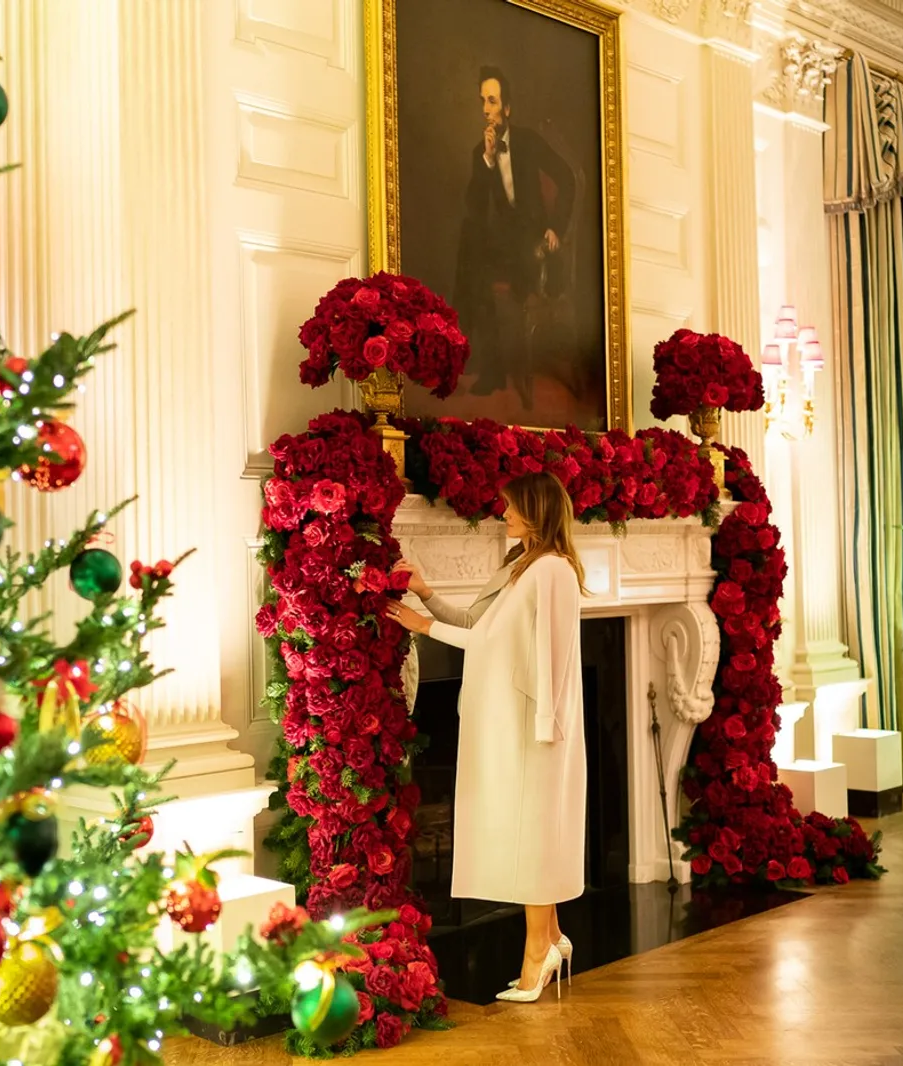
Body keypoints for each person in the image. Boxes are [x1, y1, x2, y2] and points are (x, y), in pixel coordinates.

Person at [386, 472, 588, 1003]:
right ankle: (550, 937)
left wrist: (422, 626)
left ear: (537, 511)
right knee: (527, 831)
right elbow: (478, 624)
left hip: (534, 726)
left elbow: (517, 648)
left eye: (511, 507)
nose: (503, 514)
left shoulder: (553, 572)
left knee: (535, 833)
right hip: (507, 722)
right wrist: (426, 596)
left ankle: (536, 956)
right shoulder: (519, 566)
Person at [453, 65, 577, 400]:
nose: (486, 109)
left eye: (492, 101)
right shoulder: (480, 152)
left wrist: (556, 228)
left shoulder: (529, 141)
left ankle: (463, 347)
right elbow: (475, 208)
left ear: (507, 108)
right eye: (483, 101)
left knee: (476, 257)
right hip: (503, 243)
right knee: (472, 254)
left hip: (533, 240)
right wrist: (489, 161)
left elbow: (567, 179)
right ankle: (483, 365)